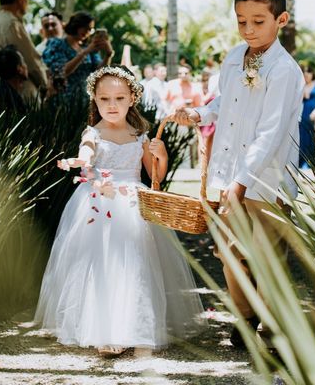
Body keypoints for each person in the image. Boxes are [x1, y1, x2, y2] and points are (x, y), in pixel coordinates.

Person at [35, 66, 203, 357]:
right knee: (100, 264)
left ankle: (134, 325)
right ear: (95, 100)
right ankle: (104, 329)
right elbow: (87, 151)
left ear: (132, 99)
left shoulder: (140, 134)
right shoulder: (93, 132)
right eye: (104, 99)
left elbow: (155, 176)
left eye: (119, 98)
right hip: (97, 200)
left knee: (134, 264)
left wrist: (160, 155)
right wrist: (81, 160)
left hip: (132, 200)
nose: (112, 106)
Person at [174, 0, 304, 349]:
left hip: (266, 180)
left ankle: (273, 328)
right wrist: (198, 114)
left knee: (267, 256)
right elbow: (221, 103)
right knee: (229, 252)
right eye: (241, 20)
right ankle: (246, 318)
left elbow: (272, 132)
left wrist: (242, 182)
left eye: (258, 21)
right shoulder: (234, 58)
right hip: (229, 175)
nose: (248, 29)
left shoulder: (284, 70)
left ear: (281, 20)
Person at [0, 0, 48, 103]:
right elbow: (30, 60)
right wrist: (44, 84)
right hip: (21, 93)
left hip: (0, 91)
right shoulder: (12, 23)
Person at [42, 11, 113, 108]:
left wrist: (108, 55)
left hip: (84, 101)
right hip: (63, 101)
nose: (87, 32)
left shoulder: (87, 48)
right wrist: (84, 53)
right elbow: (61, 71)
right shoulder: (57, 44)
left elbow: (100, 72)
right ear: (77, 25)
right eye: (86, 28)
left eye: (90, 30)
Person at [0, 46, 28, 115]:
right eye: (23, 62)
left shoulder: (2, 93)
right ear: (19, 68)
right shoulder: (9, 101)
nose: (26, 66)